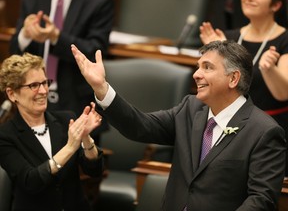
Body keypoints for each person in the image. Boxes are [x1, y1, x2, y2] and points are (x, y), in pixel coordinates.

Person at [71, 40, 287, 210]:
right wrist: (101, 88)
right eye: (197, 66)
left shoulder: (264, 132)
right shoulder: (190, 109)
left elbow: (261, 200)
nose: (196, 74)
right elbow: (140, 126)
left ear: (233, 79)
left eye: (207, 67)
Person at [0, 53, 104, 211]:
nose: (43, 91)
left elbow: (94, 170)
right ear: (12, 93)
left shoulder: (65, 120)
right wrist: (70, 147)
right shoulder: (6, 136)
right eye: (33, 85)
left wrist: (86, 138)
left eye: (45, 83)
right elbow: (31, 181)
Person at [199, 0, 288, 176]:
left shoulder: (284, 40)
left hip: (270, 130)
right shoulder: (229, 38)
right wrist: (216, 56)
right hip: (229, 126)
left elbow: (283, 93)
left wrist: (270, 69)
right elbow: (214, 87)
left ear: (276, 4)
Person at [10, 0, 114, 142]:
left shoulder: (99, 1)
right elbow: (14, 51)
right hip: (33, 97)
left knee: (81, 161)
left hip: (75, 101)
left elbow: (94, 51)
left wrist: (56, 37)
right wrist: (25, 35)